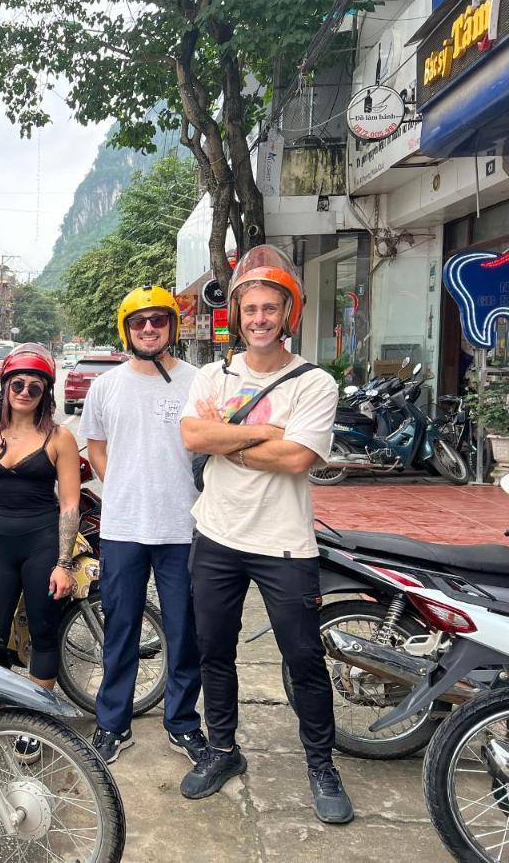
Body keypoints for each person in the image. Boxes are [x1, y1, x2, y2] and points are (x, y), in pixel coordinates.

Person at [179, 245, 350, 823]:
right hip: (217, 536)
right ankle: (223, 749)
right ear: (238, 313)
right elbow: (192, 438)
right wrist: (263, 434)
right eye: (249, 308)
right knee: (213, 652)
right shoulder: (212, 374)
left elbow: (299, 458)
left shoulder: (313, 382)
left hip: (283, 544)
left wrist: (228, 435)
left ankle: (321, 765)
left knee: (304, 658)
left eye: (269, 309)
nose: (258, 319)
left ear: (288, 314)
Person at [80, 286, 206, 765]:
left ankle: (183, 722)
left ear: (172, 326)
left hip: (183, 526)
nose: (149, 328)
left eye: (157, 320)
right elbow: (96, 447)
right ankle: (113, 723)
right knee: (121, 629)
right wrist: (124, 484)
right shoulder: (106, 386)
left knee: (183, 630)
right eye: (139, 322)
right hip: (123, 527)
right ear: (126, 329)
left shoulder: (198, 381)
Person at [0, 343, 81, 698]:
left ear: (46, 393)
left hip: (43, 545)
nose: (25, 392)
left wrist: (63, 563)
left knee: (44, 632)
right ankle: (0, 710)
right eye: (18, 384)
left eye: (35, 386)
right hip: (0, 546)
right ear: (5, 387)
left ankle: (37, 714)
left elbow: (70, 504)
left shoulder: (59, 438)